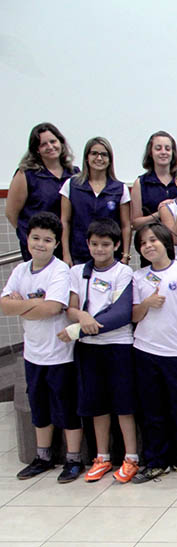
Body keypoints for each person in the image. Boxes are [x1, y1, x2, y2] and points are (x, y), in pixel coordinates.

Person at [1, 212, 85, 483]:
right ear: (27, 239)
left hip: (59, 355)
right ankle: (43, 456)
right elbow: (4, 305)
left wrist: (21, 305)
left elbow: (52, 308)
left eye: (47, 240)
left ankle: (73, 459)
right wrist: (33, 306)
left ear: (56, 243)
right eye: (35, 238)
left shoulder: (59, 270)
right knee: (39, 407)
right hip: (33, 353)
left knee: (66, 407)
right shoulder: (20, 270)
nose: (40, 244)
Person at [60, 219, 137, 483]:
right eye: (94, 244)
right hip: (89, 350)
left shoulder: (123, 272)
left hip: (118, 346)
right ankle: (102, 457)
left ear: (116, 245)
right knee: (97, 405)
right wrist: (81, 317)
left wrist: (77, 330)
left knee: (124, 405)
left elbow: (121, 314)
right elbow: (70, 309)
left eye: (105, 244)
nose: (100, 249)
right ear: (87, 244)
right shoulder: (78, 272)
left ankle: (131, 458)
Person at [129, 223, 177, 483]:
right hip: (145, 350)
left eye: (153, 240)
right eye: (143, 243)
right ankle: (156, 461)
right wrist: (147, 304)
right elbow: (133, 316)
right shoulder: (138, 277)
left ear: (165, 242)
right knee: (152, 409)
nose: (149, 246)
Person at [6, 123, 78, 262]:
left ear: (61, 142)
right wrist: (32, 238)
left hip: (67, 247)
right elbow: (11, 213)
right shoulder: (26, 175)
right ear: (36, 149)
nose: (50, 147)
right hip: (40, 249)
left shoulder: (74, 174)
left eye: (53, 141)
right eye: (43, 144)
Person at [59, 137, 131, 265]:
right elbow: (65, 221)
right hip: (79, 255)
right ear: (87, 157)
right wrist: (66, 254)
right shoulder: (71, 185)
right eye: (94, 153)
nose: (99, 158)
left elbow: (125, 226)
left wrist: (125, 255)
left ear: (110, 160)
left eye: (104, 154)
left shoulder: (120, 189)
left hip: (110, 258)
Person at [129, 131, 177, 237]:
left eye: (167, 148)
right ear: (150, 153)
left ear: (173, 153)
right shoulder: (140, 183)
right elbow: (135, 224)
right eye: (158, 148)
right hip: (152, 240)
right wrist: (160, 213)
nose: (163, 152)